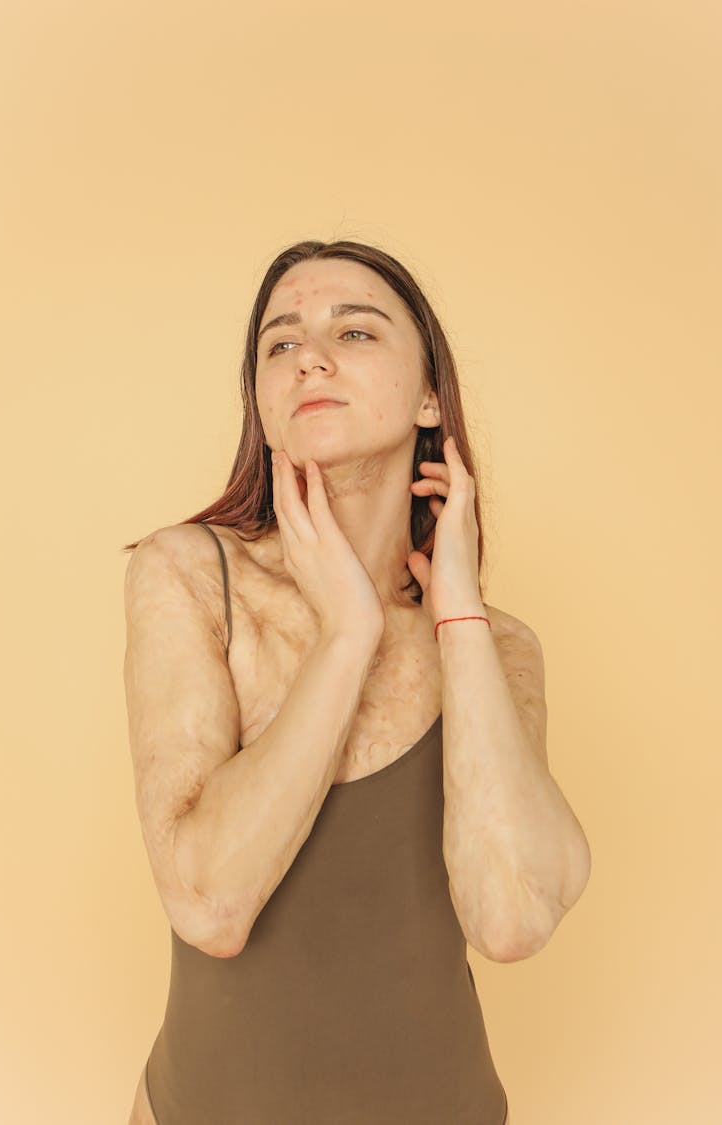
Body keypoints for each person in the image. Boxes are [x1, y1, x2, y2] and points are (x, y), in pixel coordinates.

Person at [122, 239, 583, 1123]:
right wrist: (348, 635)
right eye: (281, 343)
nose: (313, 357)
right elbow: (208, 901)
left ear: (425, 397)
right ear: (261, 402)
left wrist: (456, 613)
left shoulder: (497, 646)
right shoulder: (187, 576)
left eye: (356, 332)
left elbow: (512, 919)